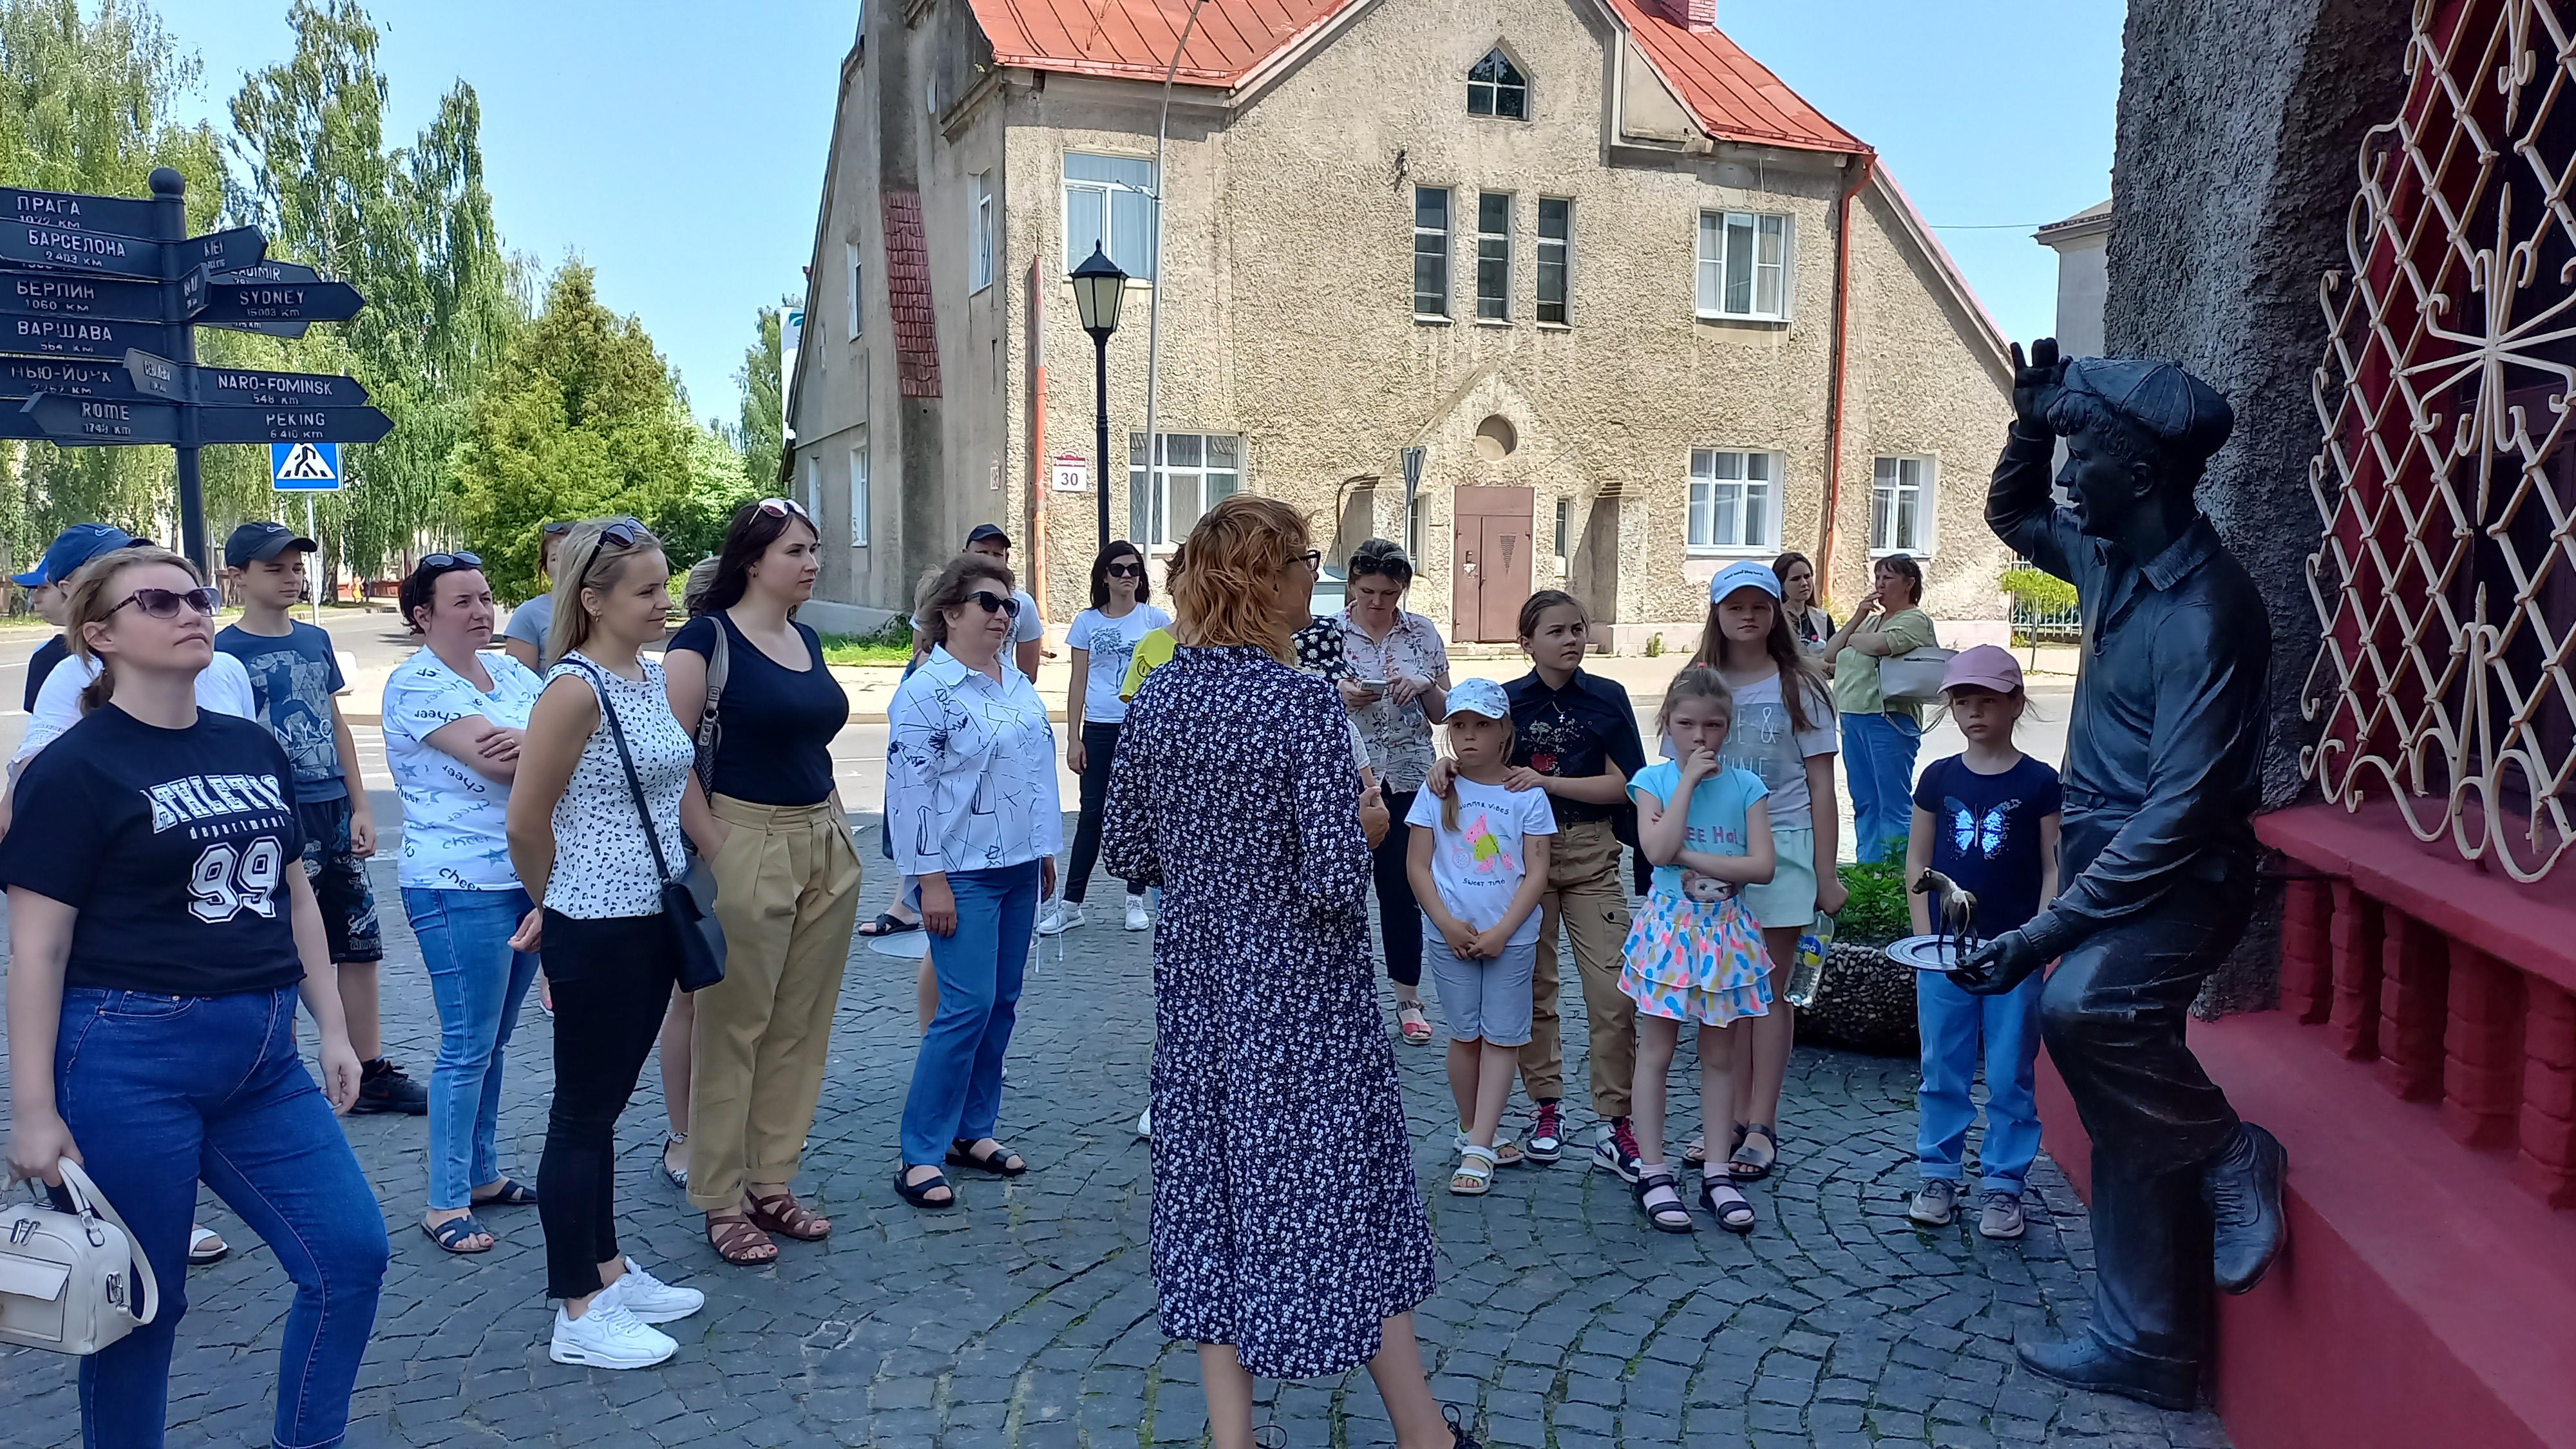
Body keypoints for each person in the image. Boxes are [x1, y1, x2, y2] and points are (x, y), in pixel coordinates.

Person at [1101, 494, 1474, 1449]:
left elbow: (1126, 851)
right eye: (1309, 556)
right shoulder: (1302, 700)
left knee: (1211, 1193)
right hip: (1304, 1003)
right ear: (1265, 576)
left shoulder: (1160, 698)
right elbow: (1329, 880)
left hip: (1200, 996)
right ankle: (1423, 1433)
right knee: (1345, 1190)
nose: (1323, 572)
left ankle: (1235, 1438)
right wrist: (1374, 824)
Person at [1953, 341, 2282, 1409]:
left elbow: (2184, 814)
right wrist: (2034, 422)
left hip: (2183, 873)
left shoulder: (2207, 612)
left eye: (2083, 451)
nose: (2066, 475)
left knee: (2091, 1014)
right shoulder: (2110, 560)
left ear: (2139, 475)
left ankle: (2232, 1152)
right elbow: (2011, 517)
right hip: (2109, 862)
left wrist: (2045, 936)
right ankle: (2149, 1342)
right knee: (2118, 1087)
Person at [0, 545, 388, 1448]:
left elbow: (293, 892)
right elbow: (36, 947)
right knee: (145, 1303)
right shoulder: (72, 769)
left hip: (262, 1056)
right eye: (159, 602)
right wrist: (31, 1111)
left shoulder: (246, 742)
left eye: (196, 595)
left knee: (350, 1255)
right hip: (126, 1058)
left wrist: (334, 1026)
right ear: (100, 636)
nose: (190, 611)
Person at [504, 516, 709, 1368]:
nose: (664, 603)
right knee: (581, 1113)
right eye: (646, 591)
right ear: (591, 600)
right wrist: (552, 903)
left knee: (605, 1106)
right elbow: (526, 820)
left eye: (663, 586)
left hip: (650, 914)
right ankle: (577, 1307)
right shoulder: (573, 688)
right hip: (597, 922)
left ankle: (610, 1269)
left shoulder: (647, 676)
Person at [664, 497, 862, 1264]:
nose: (811, 563)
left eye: (813, 549)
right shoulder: (704, 640)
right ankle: (719, 1198)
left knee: (799, 1027)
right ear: (753, 561)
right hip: (744, 838)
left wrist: (838, 828)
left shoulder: (806, 638)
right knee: (733, 1030)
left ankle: (771, 1180)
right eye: (794, 552)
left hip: (822, 839)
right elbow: (667, 758)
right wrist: (716, 845)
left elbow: (813, 741)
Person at [1422, 590, 1646, 1174]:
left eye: (1578, 629)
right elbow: (1470, 752)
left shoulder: (1608, 698)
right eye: (1556, 631)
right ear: (1527, 642)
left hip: (1591, 852)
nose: (1572, 640)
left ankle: (1615, 1119)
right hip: (1516, 865)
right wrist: (1445, 763)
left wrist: (1548, 785)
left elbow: (1630, 786)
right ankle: (1545, 1106)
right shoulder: (1508, 704)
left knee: (1612, 990)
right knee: (1533, 992)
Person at [216, 522, 422, 1118]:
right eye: (274, 568)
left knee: (358, 940)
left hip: (330, 803)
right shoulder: (224, 653)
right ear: (238, 577)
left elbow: (335, 724)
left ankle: (371, 1066)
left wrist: (359, 803)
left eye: (296, 567)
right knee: (284, 942)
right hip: (276, 813)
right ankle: (280, 1074)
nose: (291, 577)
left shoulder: (315, 640)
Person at [382, 549, 549, 1254]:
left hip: (525, 877)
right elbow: (496, 762)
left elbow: (574, 737)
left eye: (486, 598)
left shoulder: (510, 670)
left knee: (496, 1040)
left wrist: (532, 740)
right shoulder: (415, 683)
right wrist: (538, 740)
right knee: (466, 1045)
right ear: (423, 616)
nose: (483, 612)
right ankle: (444, 1201)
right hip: (456, 885)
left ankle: (481, 1174)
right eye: (464, 602)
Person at [886, 550, 1061, 1208]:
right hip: (960, 872)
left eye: (1009, 605)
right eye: (989, 603)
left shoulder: (1011, 681)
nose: (1003, 615)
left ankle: (972, 1131)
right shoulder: (927, 691)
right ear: (950, 613)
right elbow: (910, 794)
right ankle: (920, 1153)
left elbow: (1030, 775)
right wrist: (927, 881)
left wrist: (1043, 849)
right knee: (963, 1009)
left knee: (1001, 1004)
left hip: (1018, 866)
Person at [1685, 561, 1842, 1184]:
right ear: (1717, 614)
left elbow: (1822, 787)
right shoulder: (1700, 683)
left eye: (1760, 605)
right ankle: (1721, 1118)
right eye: (1734, 606)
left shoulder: (1797, 687)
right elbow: (1680, 776)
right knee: (1723, 991)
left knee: (1770, 996)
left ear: (1777, 611)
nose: (1747, 616)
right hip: (1715, 850)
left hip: (1784, 848)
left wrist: (1825, 873)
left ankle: (1760, 1123)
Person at [1903, 645, 2060, 1240]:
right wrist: (1926, 943)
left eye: (1987, 701)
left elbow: (2052, 868)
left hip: (2014, 954)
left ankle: (2004, 1184)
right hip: (1945, 955)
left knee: (2011, 1071)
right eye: (1963, 702)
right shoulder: (1939, 778)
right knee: (1941, 1065)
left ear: (2016, 704)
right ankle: (1938, 1172)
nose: (1974, 713)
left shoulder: (2040, 782)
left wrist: (2039, 938)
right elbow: (1919, 861)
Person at [1622, 667, 1776, 1235]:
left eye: (1713, 726)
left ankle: (1717, 1170)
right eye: (1687, 724)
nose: (1700, 737)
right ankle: (1653, 1169)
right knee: (1656, 1053)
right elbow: (1658, 852)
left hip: (1727, 935)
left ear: (1728, 729)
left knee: (1720, 1055)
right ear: (1668, 724)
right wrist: (1685, 784)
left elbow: (1761, 867)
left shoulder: (1746, 788)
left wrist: (1693, 856)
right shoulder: (1652, 781)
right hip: (1669, 932)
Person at [1405, 677, 1553, 1196]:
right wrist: (1446, 923)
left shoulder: (1525, 793)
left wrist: (1503, 930)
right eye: (1459, 726)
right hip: (1451, 935)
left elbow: (1537, 873)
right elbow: (1418, 866)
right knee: (1465, 1035)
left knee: (1502, 1037)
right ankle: (1473, 1128)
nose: (1468, 737)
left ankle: (1479, 1145)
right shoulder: (1437, 787)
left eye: (1481, 726)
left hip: (1509, 938)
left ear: (1504, 731)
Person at [1339, 538, 1451, 1045]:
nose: (1378, 603)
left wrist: (1423, 684)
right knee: (1338, 892)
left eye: (1388, 593)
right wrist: (1335, 693)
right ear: (1352, 586)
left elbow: (1449, 712)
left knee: (1401, 891)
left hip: (1408, 776)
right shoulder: (1326, 634)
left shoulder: (1422, 633)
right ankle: (1342, 1002)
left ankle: (1408, 997)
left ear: (1402, 589)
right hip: (1345, 780)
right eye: (1368, 591)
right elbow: (1298, 705)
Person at [1043, 540, 1168, 936]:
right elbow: (1077, 681)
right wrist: (1073, 738)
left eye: (1134, 569)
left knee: (1143, 813)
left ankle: (1135, 898)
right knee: (1092, 816)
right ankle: (1070, 904)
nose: (1128, 576)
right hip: (1099, 726)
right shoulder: (1087, 622)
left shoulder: (1156, 619)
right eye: (1118, 570)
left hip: (1142, 729)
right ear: (1104, 576)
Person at [1822, 553, 1937, 862]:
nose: (1880, 584)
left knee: (1893, 802)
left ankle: (1900, 873)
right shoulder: (1873, 621)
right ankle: (1868, 869)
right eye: (1877, 577)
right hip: (1853, 716)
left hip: (1889, 719)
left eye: (1888, 578)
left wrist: (1857, 639)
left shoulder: (1915, 619)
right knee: (1865, 801)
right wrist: (1858, 618)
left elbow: (1880, 646)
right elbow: (1832, 653)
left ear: (1909, 583)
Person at [15, 522, 145, 708]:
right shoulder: (55, 662)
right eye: (110, 567)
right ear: (69, 588)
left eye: (132, 559)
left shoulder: (170, 641)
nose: (130, 571)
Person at [910, 522, 1043, 679]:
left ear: (1006, 557)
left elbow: (1029, 674)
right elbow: (921, 651)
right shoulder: (941, 594)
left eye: (997, 554)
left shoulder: (1023, 603)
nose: (990, 560)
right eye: (983, 552)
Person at [500, 518, 574, 673]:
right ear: (546, 570)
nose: (565, 563)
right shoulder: (529, 614)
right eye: (555, 558)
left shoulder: (612, 607)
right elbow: (519, 684)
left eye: (572, 553)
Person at [1773, 550, 1835, 655]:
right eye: (1796, 579)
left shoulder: (1822, 618)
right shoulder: (1775, 620)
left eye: (1807, 576)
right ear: (1781, 585)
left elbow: (1834, 654)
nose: (1804, 583)